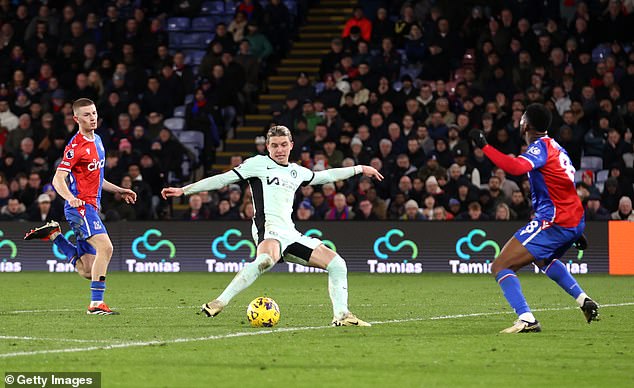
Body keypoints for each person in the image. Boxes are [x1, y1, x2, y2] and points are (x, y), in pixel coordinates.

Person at [162, 125, 383, 326]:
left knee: (337, 264)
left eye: (284, 145)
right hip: (268, 230)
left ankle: (342, 315)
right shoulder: (257, 164)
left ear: (291, 145)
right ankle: (219, 301)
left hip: (291, 233)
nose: (279, 149)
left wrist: (361, 168)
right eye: (275, 145)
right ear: (267, 147)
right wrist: (184, 190)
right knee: (266, 260)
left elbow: (326, 176)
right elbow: (222, 179)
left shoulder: (296, 172)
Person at [469, 103, 599, 333]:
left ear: (526, 125)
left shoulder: (541, 148)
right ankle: (583, 300)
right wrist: (575, 229)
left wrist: (484, 147)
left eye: (521, 120)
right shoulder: (557, 147)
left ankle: (527, 319)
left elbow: (517, 167)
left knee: (500, 265)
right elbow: (566, 186)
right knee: (543, 260)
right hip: (571, 218)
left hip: (555, 221)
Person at [24, 98, 137, 316]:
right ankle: (96, 304)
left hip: (91, 207)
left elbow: (97, 178)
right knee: (107, 248)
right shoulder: (75, 146)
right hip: (80, 208)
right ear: (76, 118)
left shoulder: (99, 141)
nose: (92, 117)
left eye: (94, 113)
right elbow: (58, 179)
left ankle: (56, 236)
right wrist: (70, 197)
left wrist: (119, 190)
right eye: (86, 115)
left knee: (87, 270)